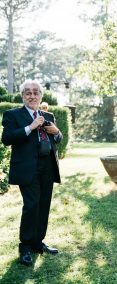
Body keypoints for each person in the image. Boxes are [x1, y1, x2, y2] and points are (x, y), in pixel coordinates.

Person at [1, 79, 62, 266]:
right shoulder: (13, 115)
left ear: (40, 95)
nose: (32, 95)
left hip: (48, 167)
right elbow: (7, 139)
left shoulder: (48, 115)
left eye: (36, 92)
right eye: (28, 92)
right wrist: (31, 126)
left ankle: (38, 243)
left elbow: (57, 139)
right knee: (32, 204)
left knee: (43, 204)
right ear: (23, 96)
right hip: (28, 168)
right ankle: (25, 247)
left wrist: (57, 131)